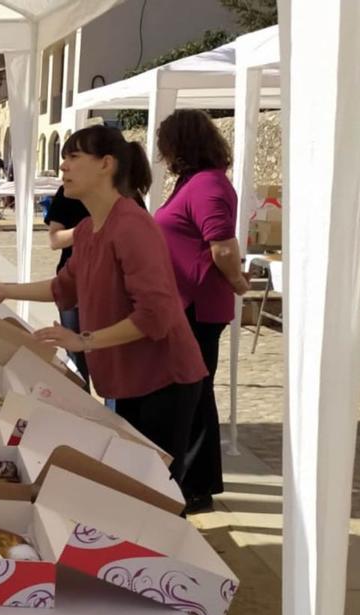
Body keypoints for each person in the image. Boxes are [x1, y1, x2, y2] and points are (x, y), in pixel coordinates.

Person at [0, 125, 207, 492]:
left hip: (165, 382)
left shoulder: (132, 226)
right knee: (130, 488)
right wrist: (7, 290)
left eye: (73, 157)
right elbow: (62, 287)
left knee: (153, 494)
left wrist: (84, 340)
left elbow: (155, 315)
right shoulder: (86, 231)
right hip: (130, 380)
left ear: (106, 164)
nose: (63, 167)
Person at [154, 109, 250, 514]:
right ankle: (195, 482)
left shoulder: (209, 184)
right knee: (191, 393)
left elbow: (223, 247)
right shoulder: (192, 182)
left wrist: (241, 286)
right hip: (184, 304)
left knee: (192, 394)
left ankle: (195, 487)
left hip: (197, 307)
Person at [42, 184, 93, 391]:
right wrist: (86, 230)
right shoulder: (69, 191)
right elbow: (54, 239)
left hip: (109, 288)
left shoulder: (124, 191)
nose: (64, 166)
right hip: (72, 282)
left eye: (73, 157)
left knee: (110, 355)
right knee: (77, 360)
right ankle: (82, 407)